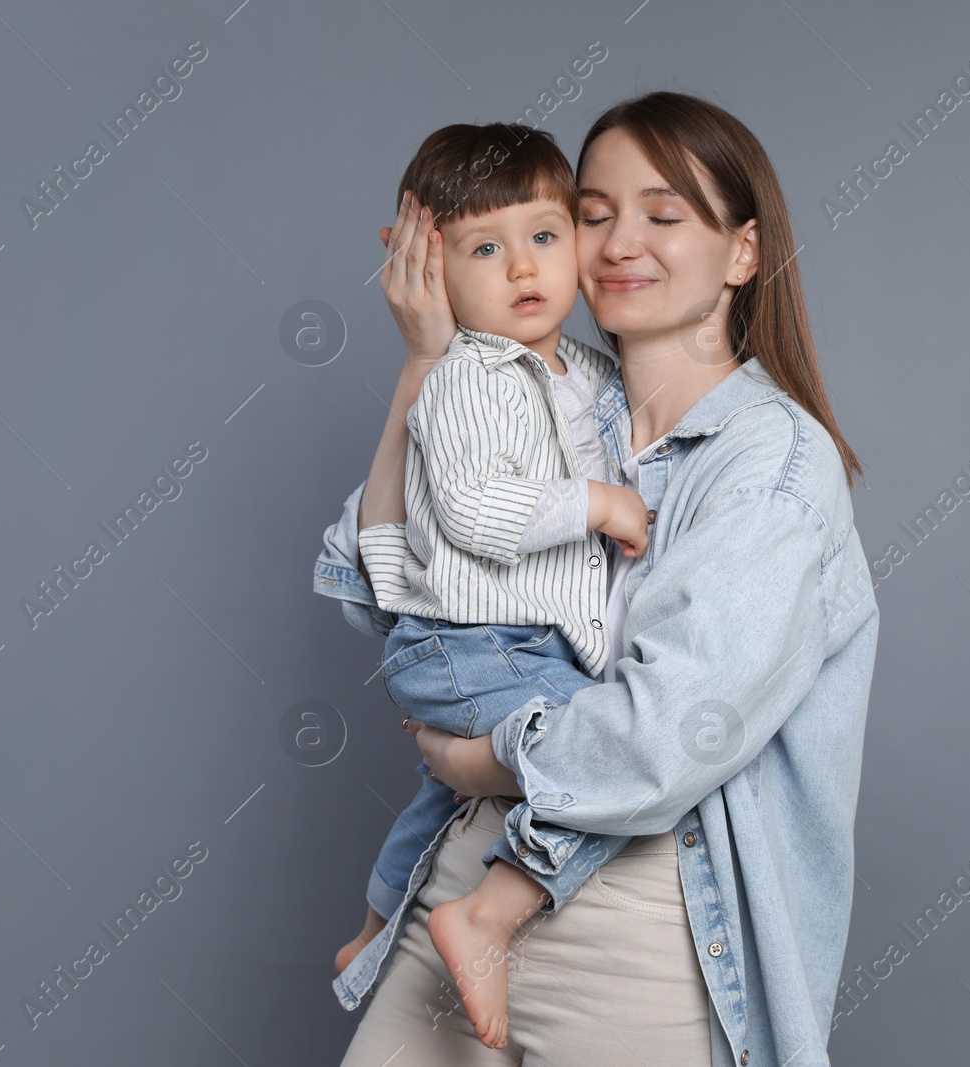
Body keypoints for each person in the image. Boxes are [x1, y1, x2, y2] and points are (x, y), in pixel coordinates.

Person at [315, 91, 879, 1066]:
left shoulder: (771, 466)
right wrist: (425, 363)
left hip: (638, 923)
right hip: (463, 884)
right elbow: (381, 594)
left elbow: (669, 730)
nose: (620, 241)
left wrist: (477, 760)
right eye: (592, 213)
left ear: (741, 254)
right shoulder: (538, 387)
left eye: (663, 216)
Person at [332, 120, 652, 1050]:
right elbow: (473, 511)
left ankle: (374, 924)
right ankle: (485, 917)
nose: (523, 269)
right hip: (472, 643)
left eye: (545, 238)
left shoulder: (589, 372)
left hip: (519, 643)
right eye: (485, 248)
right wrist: (599, 502)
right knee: (599, 754)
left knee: (441, 804)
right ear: (434, 272)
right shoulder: (465, 377)